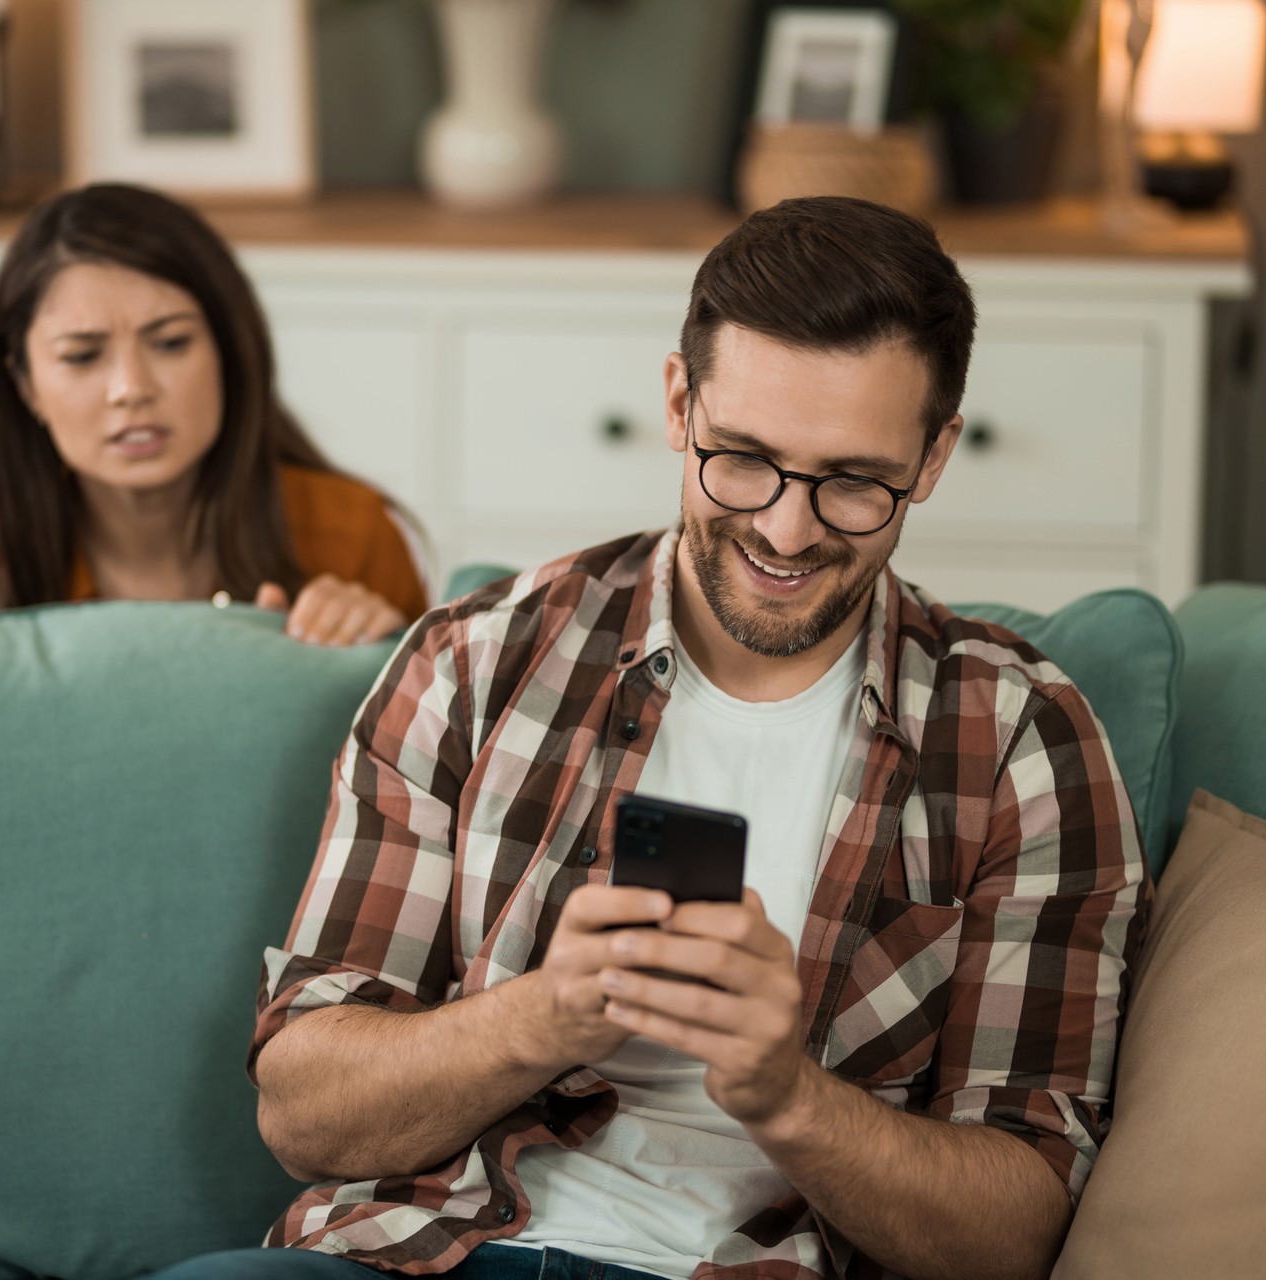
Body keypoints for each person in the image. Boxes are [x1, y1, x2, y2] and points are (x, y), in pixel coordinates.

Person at [173, 197, 1152, 1280]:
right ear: (680, 402)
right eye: (744, 458)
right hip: (427, 1250)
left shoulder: (1019, 738)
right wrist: (544, 1016)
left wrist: (788, 1096)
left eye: (854, 482)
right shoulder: (473, 659)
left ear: (933, 457)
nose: (786, 529)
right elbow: (303, 1116)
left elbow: (1018, 1230)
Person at [0, 184, 426, 645]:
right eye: (82, 356)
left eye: (171, 343)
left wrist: (377, 656)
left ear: (229, 353)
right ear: (26, 385)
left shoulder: (355, 537)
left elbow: (436, 730)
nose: (131, 389)